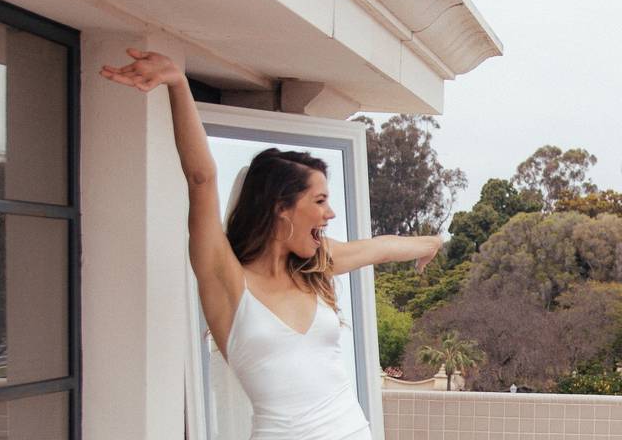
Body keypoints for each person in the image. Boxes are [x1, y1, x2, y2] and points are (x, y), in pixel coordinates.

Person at [101, 49, 440, 440]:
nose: (330, 214)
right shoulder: (226, 281)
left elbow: (380, 247)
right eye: (319, 201)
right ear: (282, 208)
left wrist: (429, 243)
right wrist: (178, 84)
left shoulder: (316, 266)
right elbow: (201, 179)